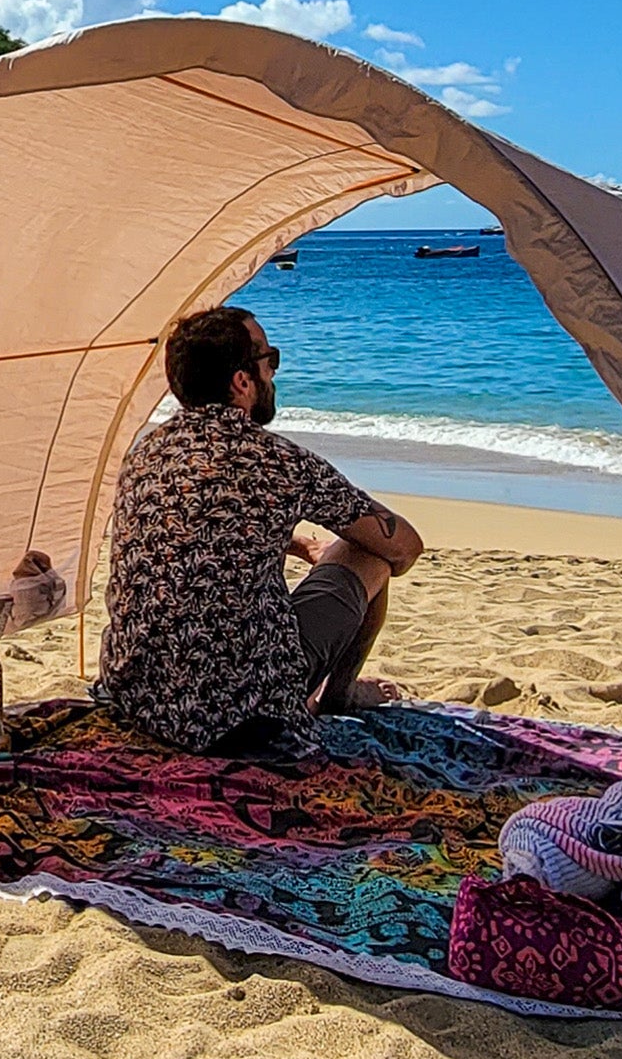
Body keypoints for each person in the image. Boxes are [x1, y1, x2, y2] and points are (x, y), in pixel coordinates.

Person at [99, 304, 423, 754]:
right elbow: (405, 547)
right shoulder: (280, 462)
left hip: (140, 695)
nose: (274, 371)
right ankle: (337, 695)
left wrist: (290, 542)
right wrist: (337, 546)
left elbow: (201, 521)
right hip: (238, 711)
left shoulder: (145, 453)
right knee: (370, 554)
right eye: (269, 360)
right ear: (242, 381)